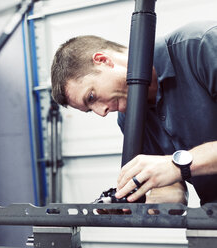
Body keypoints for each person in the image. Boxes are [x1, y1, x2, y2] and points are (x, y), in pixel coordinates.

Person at [50, 20, 217, 206]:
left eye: (91, 97)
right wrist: (138, 202)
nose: (101, 112)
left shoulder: (202, 45)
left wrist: (179, 164)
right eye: (90, 110)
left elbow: (173, 167)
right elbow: (172, 190)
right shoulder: (130, 119)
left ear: (103, 60)